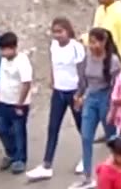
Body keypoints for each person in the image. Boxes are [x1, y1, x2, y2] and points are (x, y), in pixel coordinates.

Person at [25, 17, 85, 180]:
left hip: (73, 92)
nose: (57, 35)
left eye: (60, 31)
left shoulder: (76, 48)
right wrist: (52, 79)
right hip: (58, 92)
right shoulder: (53, 46)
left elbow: (81, 72)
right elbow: (53, 64)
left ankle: (87, 158)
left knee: (82, 127)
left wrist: (80, 93)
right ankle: (47, 164)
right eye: (55, 32)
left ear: (68, 31)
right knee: (53, 127)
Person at [75, 26, 121, 187]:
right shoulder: (87, 57)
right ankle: (87, 176)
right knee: (86, 136)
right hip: (91, 98)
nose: (92, 46)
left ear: (104, 43)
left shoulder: (113, 61)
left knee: (111, 138)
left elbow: (117, 86)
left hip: (106, 97)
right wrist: (79, 95)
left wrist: (113, 108)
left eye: (95, 42)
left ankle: (115, 171)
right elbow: (83, 79)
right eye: (90, 42)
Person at [0, 32, 32, 174]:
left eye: (4, 49)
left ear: (13, 47)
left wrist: (20, 104)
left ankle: (20, 159)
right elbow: (0, 78)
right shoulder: (3, 60)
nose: (2, 53)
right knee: (0, 127)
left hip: (17, 103)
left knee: (19, 131)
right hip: (3, 101)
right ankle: (11, 152)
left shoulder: (22, 61)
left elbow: (26, 83)